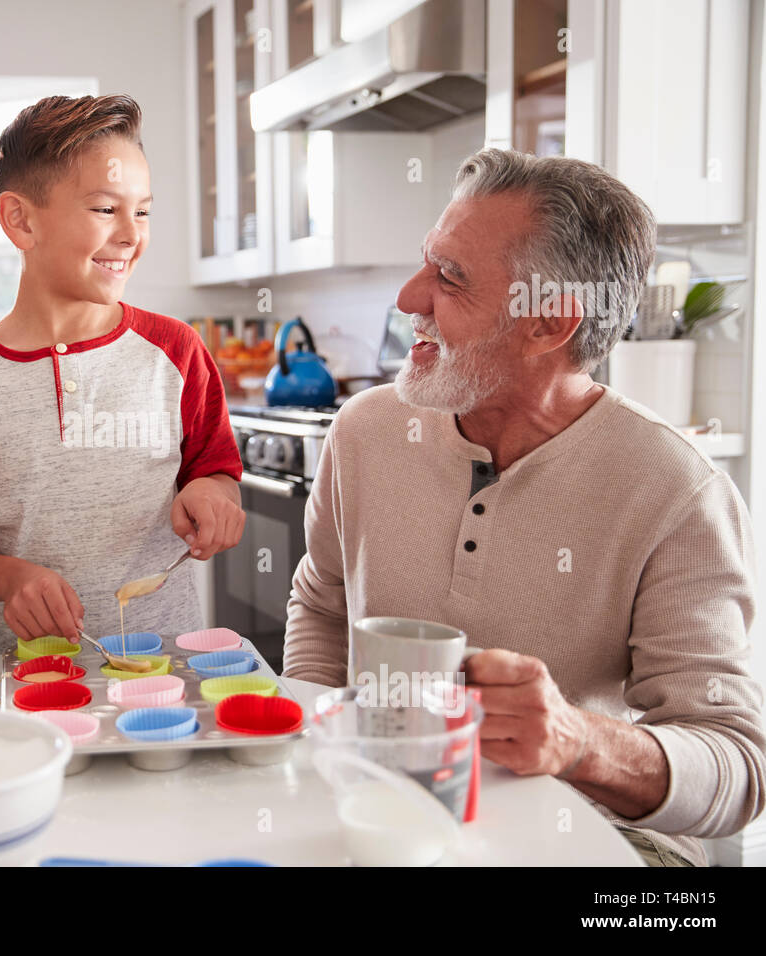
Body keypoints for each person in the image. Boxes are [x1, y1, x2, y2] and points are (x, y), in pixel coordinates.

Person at [283, 148, 765, 866]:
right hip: (392, 812)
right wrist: (314, 761)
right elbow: (322, 606)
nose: (409, 298)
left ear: (548, 323)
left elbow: (737, 769)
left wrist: (579, 741)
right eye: (427, 262)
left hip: (602, 838)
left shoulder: (676, 490)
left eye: (449, 277)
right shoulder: (365, 431)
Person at [0, 95, 244, 654]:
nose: (131, 234)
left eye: (143, 211)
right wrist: (9, 579)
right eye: (106, 210)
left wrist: (213, 495)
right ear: (21, 220)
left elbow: (216, 471)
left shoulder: (176, 350)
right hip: (22, 672)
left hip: (165, 664)